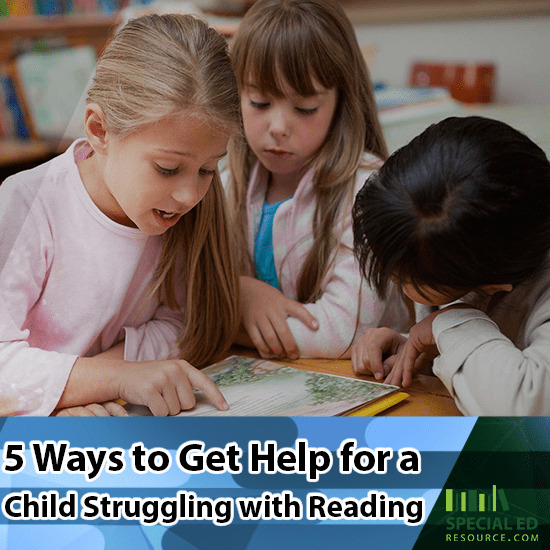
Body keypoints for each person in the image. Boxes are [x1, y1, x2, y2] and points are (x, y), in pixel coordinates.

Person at [0, 14, 242, 417]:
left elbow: (184, 325)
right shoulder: (24, 205)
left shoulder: (176, 214)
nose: (189, 195)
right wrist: (110, 380)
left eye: (207, 170)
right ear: (99, 130)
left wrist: (95, 381)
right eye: (167, 168)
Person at [226, 0, 411, 361]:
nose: (277, 128)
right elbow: (176, 296)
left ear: (342, 102)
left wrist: (227, 319)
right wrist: (240, 291)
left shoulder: (367, 192)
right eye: (259, 102)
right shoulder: (220, 176)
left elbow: (342, 335)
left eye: (305, 108)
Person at [351, 115, 550, 416]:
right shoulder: (471, 253)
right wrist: (420, 346)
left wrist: (449, 325)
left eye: (402, 276)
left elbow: (527, 407)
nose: (392, 279)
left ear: (494, 285)